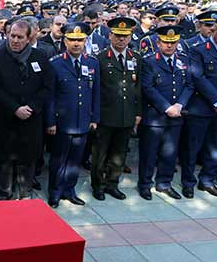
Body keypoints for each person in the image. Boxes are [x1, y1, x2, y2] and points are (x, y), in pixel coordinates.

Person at [0, 19, 53, 200]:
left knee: (28, 160)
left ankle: (25, 194)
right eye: (12, 36)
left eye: (20, 37)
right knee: (4, 161)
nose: (15, 40)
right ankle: (4, 194)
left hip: (31, 121)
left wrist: (31, 107)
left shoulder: (40, 57)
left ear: (29, 38)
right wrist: (15, 108)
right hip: (5, 121)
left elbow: (47, 87)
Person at [180, 15, 217, 198]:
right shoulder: (198, 50)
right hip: (201, 107)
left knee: (216, 148)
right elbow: (198, 77)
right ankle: (188, 181)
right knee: (192, 148)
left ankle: (207, 180)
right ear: (214, 30)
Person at [46, 22, 100, 208]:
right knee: (59, 159)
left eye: (80, 40)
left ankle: (69, 190)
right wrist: (50, 121)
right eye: (72, 40)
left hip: (83, 120)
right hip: (63, 121)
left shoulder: (92, 62)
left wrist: (94, 118)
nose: (76, 43)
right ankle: (55, 191)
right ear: (65, 41)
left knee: (75, 160)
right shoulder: (55, 63)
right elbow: (50, 96)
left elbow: (96, 93)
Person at [139, 26, 194, 200]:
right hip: (155, 116)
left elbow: (189, 85)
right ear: (158, 42)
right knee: (149, 153)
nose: (169, 46)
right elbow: (147, 87)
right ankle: (145, 184)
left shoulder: (184, 59)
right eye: (165, 42)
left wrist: (179, 104)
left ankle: (164, 183)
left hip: (177, 114)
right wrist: (166, 107)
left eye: (173, 42)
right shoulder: (149, 61)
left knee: (169, 153)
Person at [90, 17, 142, 200]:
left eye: (125, 36)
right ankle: (98, 185)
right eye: (118, 35)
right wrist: (94, 116)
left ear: (130, 37)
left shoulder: (135, 58)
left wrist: (138, 113)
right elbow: (94, 89)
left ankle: (113, 183)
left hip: (126, 115)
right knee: (100, 154)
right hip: (105, 115)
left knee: (119, 154)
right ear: (110, 35)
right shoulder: (100, 58)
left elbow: (138, 88)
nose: (121, 39)